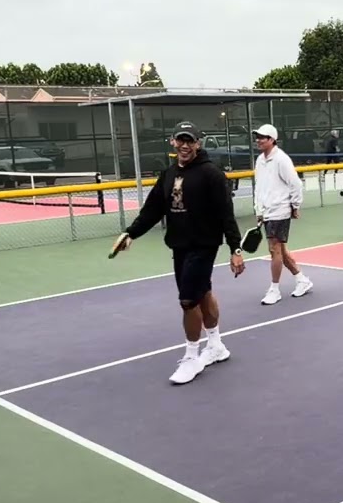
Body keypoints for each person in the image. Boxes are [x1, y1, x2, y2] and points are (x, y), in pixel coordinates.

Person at [111, 121, 246, 386]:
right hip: (179, 246)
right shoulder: (168, 174)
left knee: (187, 301)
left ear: (198, 143)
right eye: (180, 140)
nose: (185, 145)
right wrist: (131, 233)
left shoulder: (212, 174)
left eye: (190, 140)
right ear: (173, 142)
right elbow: (152, 210)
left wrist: (235, 249)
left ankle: (192, 357)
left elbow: (225, 215)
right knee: (202, 292)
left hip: (204, 245)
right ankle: (216, 345)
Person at [252, 123, 312, 306]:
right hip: (267, 211)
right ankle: (302, 280)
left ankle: (274, 289)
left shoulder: (282, 159)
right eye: (257, 137)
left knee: (274, 249)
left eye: (262, 137)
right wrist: (258, 209)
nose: (258, 140)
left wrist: (295, 205)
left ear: (271, 140)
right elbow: (260, 187)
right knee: (281, 250)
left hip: (280, 211)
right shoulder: (260, 160)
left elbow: (296, 184)